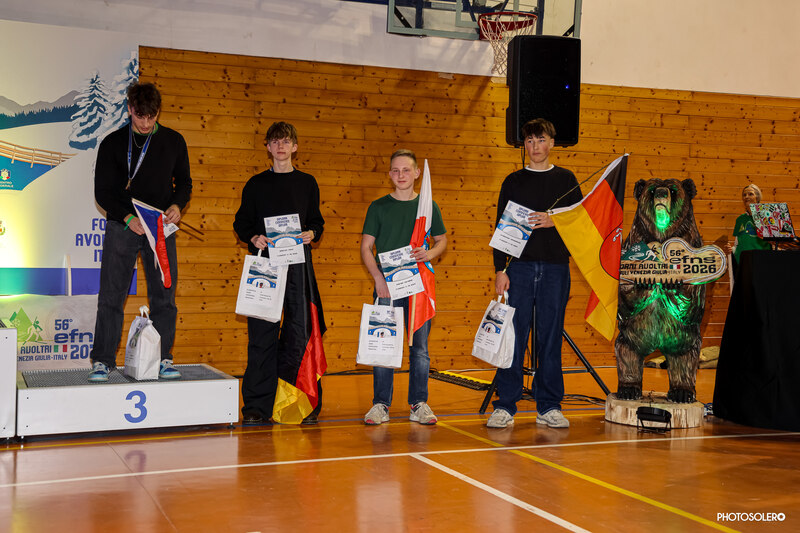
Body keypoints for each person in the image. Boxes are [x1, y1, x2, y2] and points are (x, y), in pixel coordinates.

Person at [89, 82, 192, 382]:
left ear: (158, 112)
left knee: (164, 296)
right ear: (129, 109)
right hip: (123, 224)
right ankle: (102, 361)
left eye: (151, 116)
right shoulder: (112, 143)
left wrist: (177, 205)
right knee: (112, 294)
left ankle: (163, 359)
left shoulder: (174, 141)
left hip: (160, 226)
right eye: (139, 116)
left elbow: (184, 183)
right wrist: (126, 217)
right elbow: (102, 191)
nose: (145, 123)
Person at [486, 118, 582, 429]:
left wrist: (555, 220)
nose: (535, 146)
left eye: (540, 140)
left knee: (550, 338)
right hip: (520, 269)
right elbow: (501, 229)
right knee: (512, 337)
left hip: (556, 268)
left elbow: (580, 221)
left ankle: (549, 405)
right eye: (529, 141)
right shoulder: (513, 181)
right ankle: (506, 405)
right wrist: (500, 269)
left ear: (552, 143)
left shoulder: (567, 179)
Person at [233, 121, 325, 425]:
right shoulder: (255, 184)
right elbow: (241, 223)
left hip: (299, 268)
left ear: (295, 147)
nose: (280, 146)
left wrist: (312, 232)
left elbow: (317, 221)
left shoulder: (307, 183)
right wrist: (253, 237)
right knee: (261, 337)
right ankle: (257, 407)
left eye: (286, 141)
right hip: (266, 267)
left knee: (300, 334)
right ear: (268, 147)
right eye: (275, 142)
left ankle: (301, 403)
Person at [360, 149, 447, 426]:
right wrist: (378, 279)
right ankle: (380, 404)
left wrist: (429, 254)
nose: (401, 175)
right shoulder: (378, 207)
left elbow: (442, 240)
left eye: (406, 170)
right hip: (387, 286)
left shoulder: (428, 206)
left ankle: (418, 403)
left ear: (417, 173)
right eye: (396, 170)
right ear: (389, 174)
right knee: (383, 343)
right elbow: (366, 247)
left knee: (419, 348)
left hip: (418, 285)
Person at [728, 184, 771, 271]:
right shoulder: (740, 219)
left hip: (762, 263)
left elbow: (774, 242)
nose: (746, 197)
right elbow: (737, 244)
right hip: (743, 264)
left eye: (750, 194)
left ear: (757, 197)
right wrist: (730, 250)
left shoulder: (766, 216)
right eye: (744, 195)